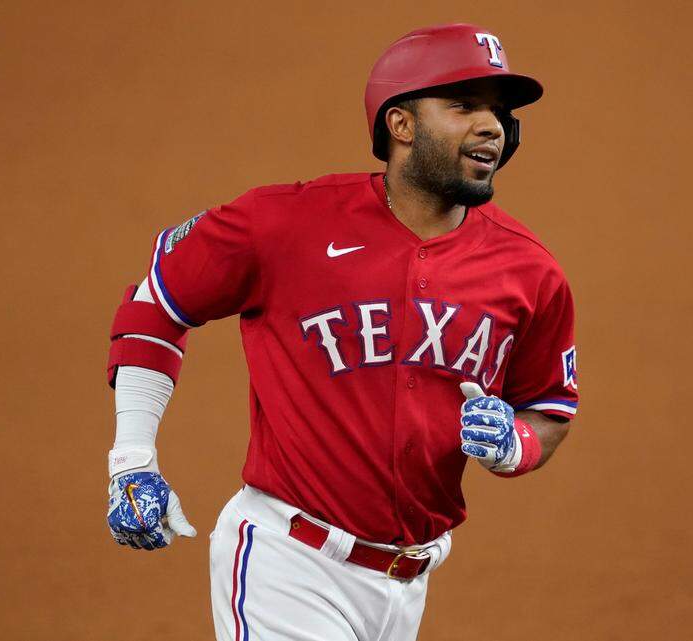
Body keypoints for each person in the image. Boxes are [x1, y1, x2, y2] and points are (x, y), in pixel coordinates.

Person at [103, 23, 579, 641]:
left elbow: (549, 405)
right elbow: (157, 301)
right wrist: (132, 460)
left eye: (499, 113)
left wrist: (517, 442)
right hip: (288, 565)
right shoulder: (285, 223)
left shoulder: (529, 270)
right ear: (400, 124)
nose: (492, 127)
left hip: (407, 588)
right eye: (464, 106)